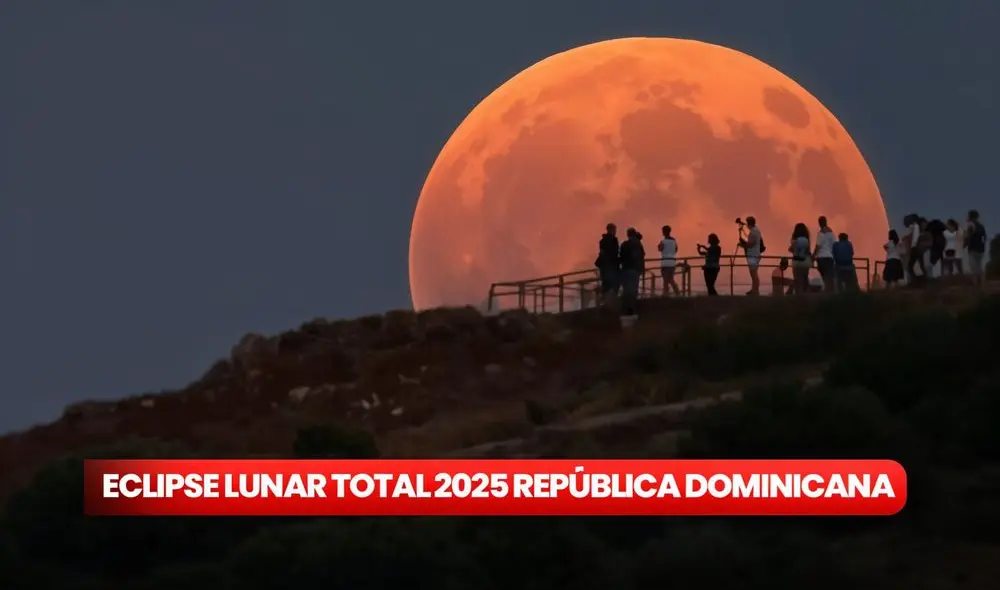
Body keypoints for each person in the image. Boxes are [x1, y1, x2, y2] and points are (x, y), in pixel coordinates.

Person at [619, 228, 646, 316]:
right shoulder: (638, 244)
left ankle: (626, 310)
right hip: (635, 269)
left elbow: (621, 257)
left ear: (628, 235)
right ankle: (632, 310)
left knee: (627, 289)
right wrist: (642, 269)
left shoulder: (624, 244)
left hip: (626, 269)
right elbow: (641, 257)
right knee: (634, 289)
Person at [738, 216, 763, 295]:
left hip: (753, 255)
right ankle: (754, 290)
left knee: (753, 274)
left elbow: (751, 244)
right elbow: (750, 239)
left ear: (749, 223)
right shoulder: (755, 230)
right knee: (754, 274)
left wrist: (742, 245)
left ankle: (755, 291)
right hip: (755, 254)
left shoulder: (754, 232)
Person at [595, 223, 620, 303]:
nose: (615, 231)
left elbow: (603, 253)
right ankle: (607, 301)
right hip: (610, 267)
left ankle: (603, 300)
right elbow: (613, 254)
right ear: (611, 230)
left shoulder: (603, 241)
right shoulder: (612, 240)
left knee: (608, 285)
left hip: (606, 267)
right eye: (614, 230)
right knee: (614, 284)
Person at [964, 209, 987, 288]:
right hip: (981, 249)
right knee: (979, 267)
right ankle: (982, 284)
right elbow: (984, 238)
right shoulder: (981, 226)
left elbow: (968, 236)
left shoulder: (971, 225)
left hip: (973, 248)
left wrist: (964, 245)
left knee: (973, 267)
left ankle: (975, 284)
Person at [814, 216, 836, 292]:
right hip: (830, 257)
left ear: (819, 223)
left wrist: (813, 256)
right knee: (829, 277)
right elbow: (833, 245)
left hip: (821, 257)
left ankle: (827, 291)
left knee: (825, 277)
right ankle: (830, 292)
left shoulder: (821, 233)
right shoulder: (832, 233)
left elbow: (818, 246)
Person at [902, 214, 926, 285]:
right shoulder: (918, 226)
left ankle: (916, 281)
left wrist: (903, 238)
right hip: (918, 248)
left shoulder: (912, 226)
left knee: (910, 266)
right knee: (920, 265)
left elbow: (905, 236)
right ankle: (923, 281)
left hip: (914, 248)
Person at [788, 222, 812, 294]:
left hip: (796, 262)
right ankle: (805, 296)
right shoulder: (806, 240)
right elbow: (807, 251)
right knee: (805, 280)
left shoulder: (794, 240)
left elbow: (790, 249)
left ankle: (798, 296)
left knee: (797, 281)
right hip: (805, 262)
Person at [657, 225, 680, 296]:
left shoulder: (663, 241)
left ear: (664, 232)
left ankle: (669, 293)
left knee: (666, 279)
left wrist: (659, 245)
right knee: (669, 278)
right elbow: (676, 250)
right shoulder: (674, 241)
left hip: (665, 262)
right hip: (672, 262)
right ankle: (670, 293)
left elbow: (660, 249)